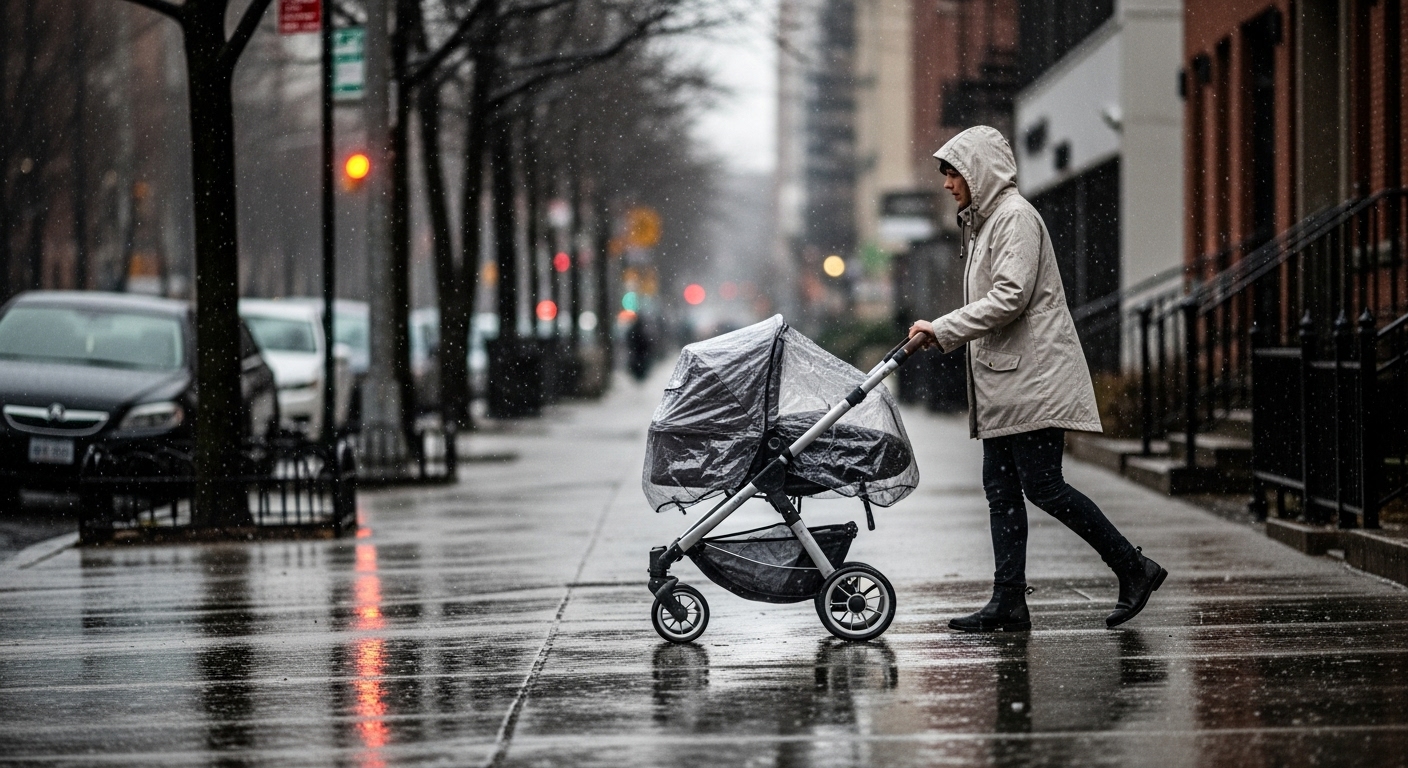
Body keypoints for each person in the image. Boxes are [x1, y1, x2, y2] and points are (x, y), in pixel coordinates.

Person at [907, 125, 1167, 631]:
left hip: (1033, 380)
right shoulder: (985, 225)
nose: (946, 183)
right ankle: (1008, 601)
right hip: (1008, 382)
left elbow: (1010, 297)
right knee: (1001, 490)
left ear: (977, 170)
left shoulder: (1015, 219)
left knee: (1045, 486)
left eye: (952, 172)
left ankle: (1134, 569)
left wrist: (943, 328)